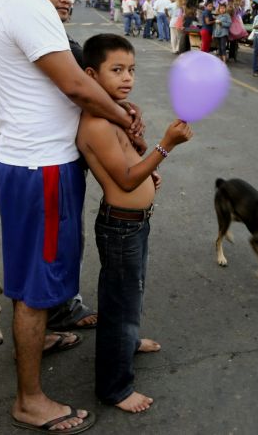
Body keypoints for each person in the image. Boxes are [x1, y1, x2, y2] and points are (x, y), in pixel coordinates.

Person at [0, 0, 142, 432]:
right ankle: (29, 400)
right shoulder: (25, 0)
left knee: (38, 275)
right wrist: (126, 120)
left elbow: (73, 83)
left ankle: (41, 335)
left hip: (32, 163)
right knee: (36, 284)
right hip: (40, 169)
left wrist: (116, 111)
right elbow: (74, 83)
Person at [77, 33, 192, 414]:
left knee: (132, 293)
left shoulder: (114, 113)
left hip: (136, 222)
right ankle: (115, 388)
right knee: (118, 304)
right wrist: (166, 145)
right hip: (120, 226)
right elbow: (125, 180)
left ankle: (128, 340)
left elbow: (133, 164)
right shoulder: (95, 124)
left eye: (131, 70)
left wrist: (145, 161)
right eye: (116, 70)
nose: (127, 78)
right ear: (91, 74)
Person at [38, 0, 101, 337]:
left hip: (66, 158)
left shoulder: (57, 38)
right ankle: (57, 309)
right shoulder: (51, 42)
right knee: (56, 242)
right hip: (53, 160)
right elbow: (83, 92)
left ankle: (60, 303)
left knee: (65, 238)